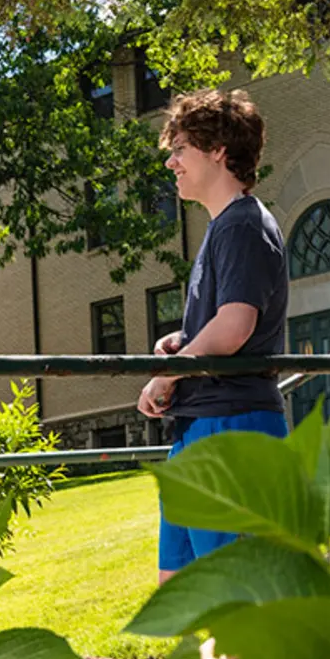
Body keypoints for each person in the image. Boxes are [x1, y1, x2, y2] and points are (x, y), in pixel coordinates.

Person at [137, 89, 287, 583]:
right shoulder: (225, 227)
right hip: (200, 425)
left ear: (218, 150)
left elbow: (236, 326)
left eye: (180, 148)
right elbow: (224, 321)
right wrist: (183, 339)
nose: (171, 162)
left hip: (232, 429)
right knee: (177, 589)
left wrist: (167, 376)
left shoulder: (244, 224)